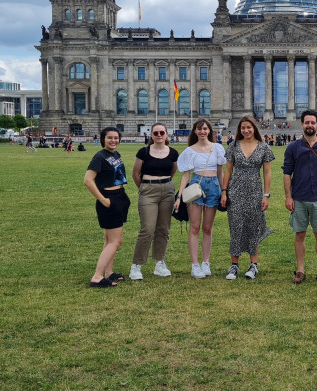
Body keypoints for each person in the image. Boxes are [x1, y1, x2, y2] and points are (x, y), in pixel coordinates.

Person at [282, 109, 317, 284]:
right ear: (302, 124)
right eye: (307, 122)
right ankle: (300, 270)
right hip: (298, 197)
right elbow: (286, 173)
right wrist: (288, 197)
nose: (310, 125)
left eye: (313, 123)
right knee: (300, 235)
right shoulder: (293, 147)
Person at [221, 116, 275, 280]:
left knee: (254, 227)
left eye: (249, 127)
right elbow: (228, 170)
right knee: (236, 226)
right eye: (243, 128)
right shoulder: (233, 146)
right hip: (235, 190)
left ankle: (253, 265)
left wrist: (266, 195)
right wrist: (224, 191)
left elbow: (267, 173)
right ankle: (234, 266)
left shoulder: (264, 147)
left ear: (254, 128)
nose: (246, 130)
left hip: (255, 191)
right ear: (240, 130)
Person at [174, 119, 226, 279]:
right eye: (199, 129)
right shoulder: (190, 151)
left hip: (213, 187)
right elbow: (186, 176)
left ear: (209, 131)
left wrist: (224, 192)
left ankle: (206, 262)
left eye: (205, 129)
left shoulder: (217, 148)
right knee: (195, 227)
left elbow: (220, 172)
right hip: (196, 187)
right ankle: (195, 264)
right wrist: (179, 196)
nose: (202, 131)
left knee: (208, 228)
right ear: (195, 132)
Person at [129, 123, 179, 281]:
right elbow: (135, 174)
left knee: (163, 229)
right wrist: (144, 188)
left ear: (166, 134)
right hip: (148, 191)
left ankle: (160, 263)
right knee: (147, 229)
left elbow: (173, 171)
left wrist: (165, 184)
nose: (159, 135)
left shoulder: (173, 153)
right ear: (151, 135)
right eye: (156, 133)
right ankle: (136, 265)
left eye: (161, 132)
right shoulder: (143, 152)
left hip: (167, 191)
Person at [84, 127, 129, 288]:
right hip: (109, 200)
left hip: (119, 197)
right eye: (109, 138)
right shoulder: (100, 157)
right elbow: (88, 180)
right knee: (115, 241)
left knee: (111, 239)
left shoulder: (115, 154)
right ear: (103, 139)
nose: (113, 141)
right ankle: (97, 276)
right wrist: (103, 200)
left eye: (116, 138)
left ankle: (109, 272)